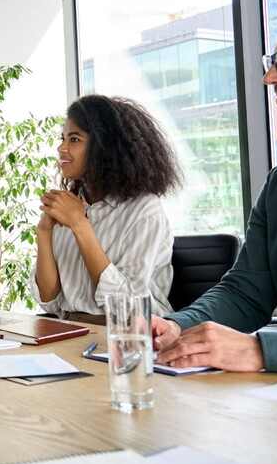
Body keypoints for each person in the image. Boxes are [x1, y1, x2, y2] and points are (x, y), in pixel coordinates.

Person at [154, 0, 277, 375]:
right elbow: (246, 293)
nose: (270, 76)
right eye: (273, 60)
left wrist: (262, 351)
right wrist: (178, 325)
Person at [29, 95, 180, 319]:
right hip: (71, 332)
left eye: (74, 139)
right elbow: (50, 301)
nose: (61, 148)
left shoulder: (145, 210)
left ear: (103, 146)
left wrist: (80, 225)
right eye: (62, 139)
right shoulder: (70, 204)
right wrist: (43, 232)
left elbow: (127, 308)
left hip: (128, 337)